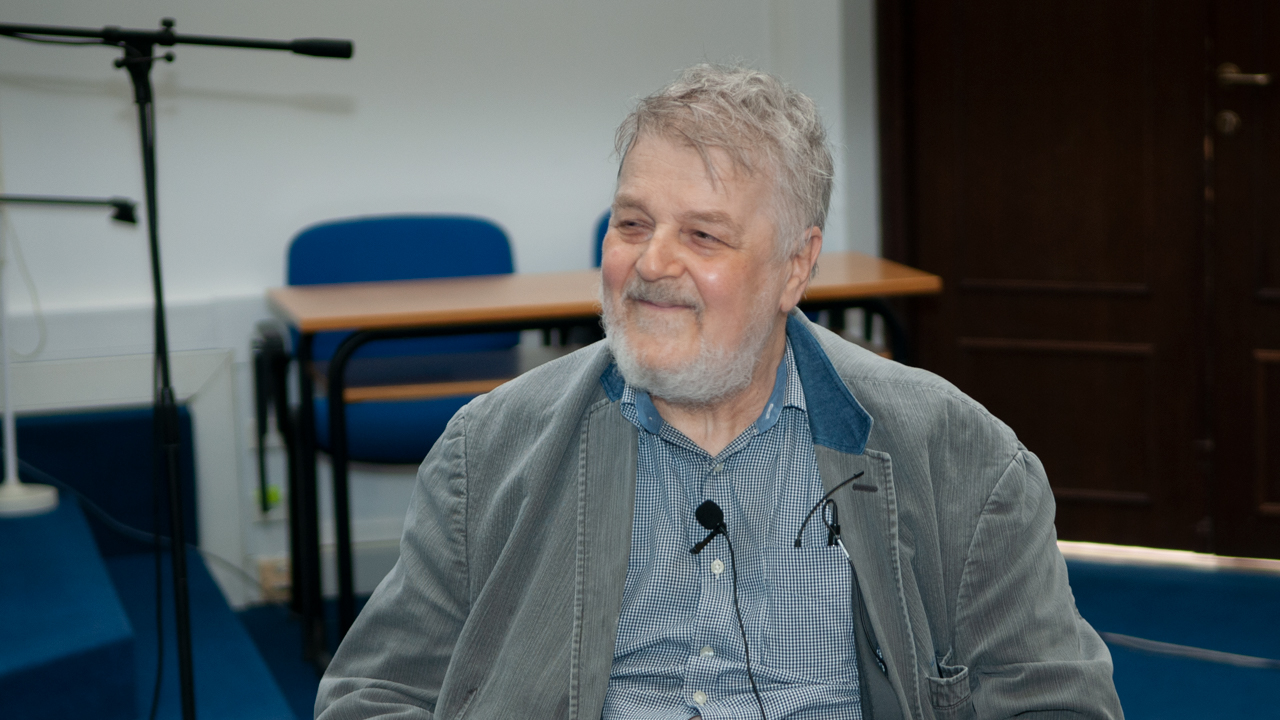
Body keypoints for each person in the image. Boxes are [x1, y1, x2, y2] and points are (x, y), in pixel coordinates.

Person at [315, 64, 1123, 720]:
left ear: (796, 267)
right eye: (632, 224)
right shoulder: (489, 452)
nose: (651, 263)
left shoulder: (962, 461)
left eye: (702, 235)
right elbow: (373, 696)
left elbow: (1057, 705)